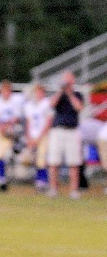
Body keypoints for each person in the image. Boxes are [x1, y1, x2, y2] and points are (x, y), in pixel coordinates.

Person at [46, 71, 84, 199]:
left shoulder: (77, 95)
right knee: (54, 161)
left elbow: (78, 107)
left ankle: (73, 190)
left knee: (74, 162)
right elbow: (51, 104)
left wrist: (69, 93)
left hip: (72, 131)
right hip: (57, 130)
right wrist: (61, 91)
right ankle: (53, 189)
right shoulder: (59, 95)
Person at [22, 83, 54, 191]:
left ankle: (43, 181)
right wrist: (29, 137)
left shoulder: (47, 103)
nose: (38, 94)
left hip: (43, 135)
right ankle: (39, 180)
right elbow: (28, 122)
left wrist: (39, 137)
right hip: (33, 136)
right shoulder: (29, 105)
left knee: (42, 158)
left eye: (40, 92)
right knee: (34, 159)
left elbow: (49, 122)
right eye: (37, 92)